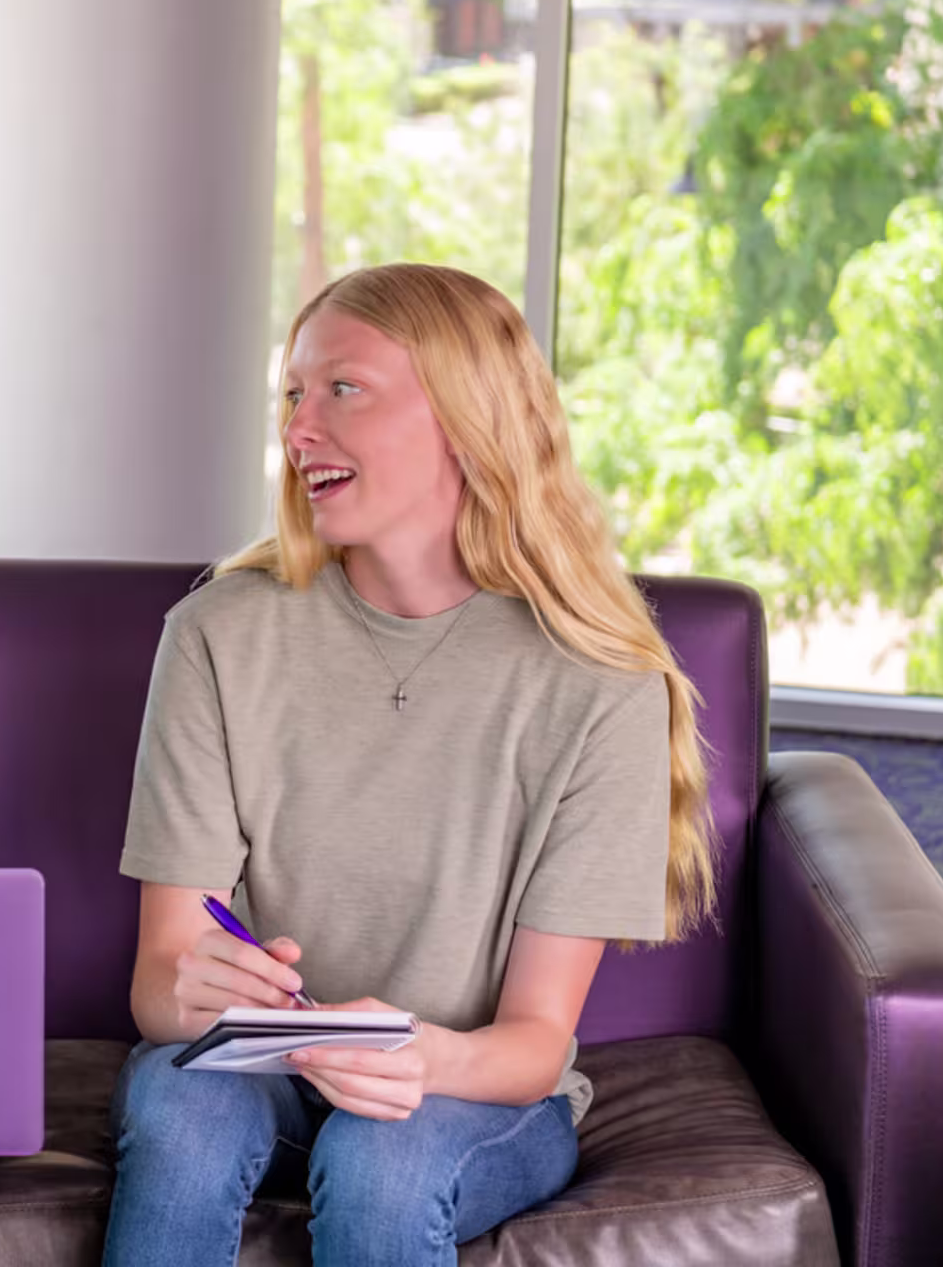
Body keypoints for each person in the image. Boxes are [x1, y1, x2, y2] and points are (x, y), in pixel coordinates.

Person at [103, 263, 715, 1267]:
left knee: (383, 1156)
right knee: (180, 1101)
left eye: (343, 388)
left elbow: (532, 1041)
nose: (299, 430)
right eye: (293, 395)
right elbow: (161, 988)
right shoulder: (219, 633)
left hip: (468, 1086)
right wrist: (195, 993)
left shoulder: (602, 684)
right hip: (267, 1075)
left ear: (467, 420)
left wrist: (423, 1057)